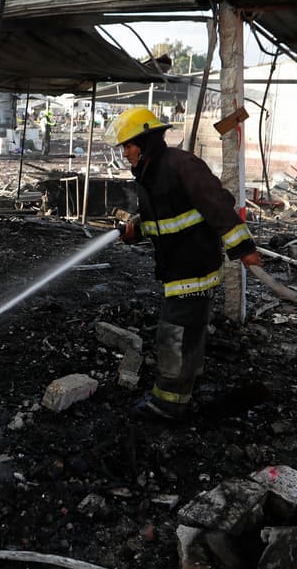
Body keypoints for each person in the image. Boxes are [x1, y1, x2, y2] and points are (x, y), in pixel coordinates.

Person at [111, 106, 263, 421]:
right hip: (177, 269)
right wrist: (134, 230)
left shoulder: (181, 166)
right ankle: (186, 384)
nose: (125, 153)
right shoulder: (149, 174)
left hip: (193, 269)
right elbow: (163, 218)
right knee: (189, 333)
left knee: (173, 336)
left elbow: (218, 206)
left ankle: (168, 404)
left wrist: (244, 248)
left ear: (146, 140)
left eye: (128, 145)